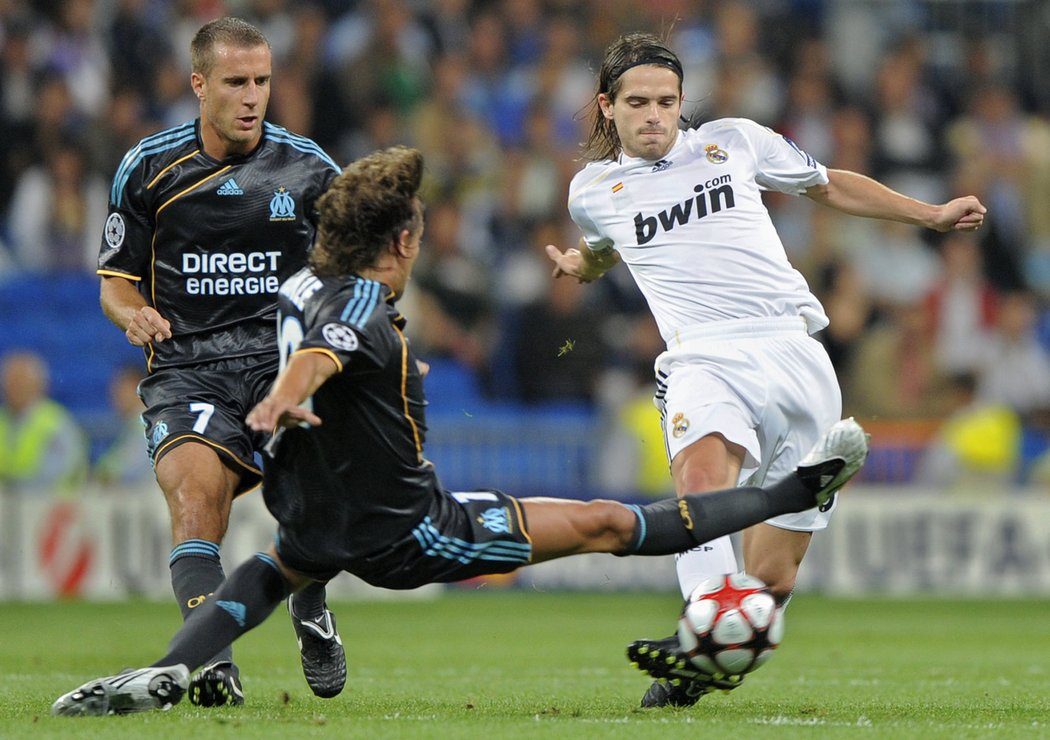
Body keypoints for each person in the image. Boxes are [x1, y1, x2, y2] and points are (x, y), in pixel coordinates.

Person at [51, 145, 870, 717]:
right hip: (407, 531)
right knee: (609, 524)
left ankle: (160, 671)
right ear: (402, 241)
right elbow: (326, 357)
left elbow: (322, 348)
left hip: (312, 514)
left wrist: (299, 398)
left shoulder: (303, 281)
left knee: (262, 576)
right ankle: (796, 488)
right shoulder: (366, 304)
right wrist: (284, 396)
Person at [543, 32, 986, 708]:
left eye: (667, 101)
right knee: (700, 478)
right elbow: (604, 249)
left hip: (796, 352)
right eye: (638, 103)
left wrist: (930, 214)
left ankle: (708, 654)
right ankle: (706, 615)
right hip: (703, 355)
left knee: (771, 587)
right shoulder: (592, 191)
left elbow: (827, 183)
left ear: (683, 101)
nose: (655, 115)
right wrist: (583, 266)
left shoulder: (735, 140)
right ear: (608, 106)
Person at [95, 17, 343, 706]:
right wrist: (131, 312)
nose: (252, 96)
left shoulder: (311, 168)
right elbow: (115, 281)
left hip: (280, 364)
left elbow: (355, 273)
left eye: (262, 81)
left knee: (314, 506)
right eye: (236, 82)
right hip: (187, 368)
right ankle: (214, 664)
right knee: (195, 500)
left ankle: (310, 602)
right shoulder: (148, 167)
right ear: (199, 84)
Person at [0, 350, 88, 495]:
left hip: (45, 504)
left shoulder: (56, 422)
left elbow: (66, 467)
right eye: (11, 382)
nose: (15, 388)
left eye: (21, 381)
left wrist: (19, 485)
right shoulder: (2, 420)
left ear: (37, 384)